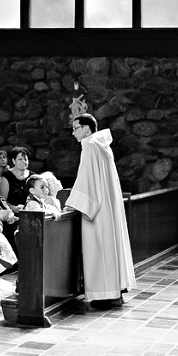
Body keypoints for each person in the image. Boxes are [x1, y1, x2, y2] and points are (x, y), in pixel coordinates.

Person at [66, 114, 134, 308]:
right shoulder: (102, 145)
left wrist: (73, 203)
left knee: (99, 248)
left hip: (97, 209)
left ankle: (104, 294)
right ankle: (114, 291)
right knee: (108, 247)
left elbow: (87, 180)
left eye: (75, 128)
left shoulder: (89, 146)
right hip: (107, 205)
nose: (73, 132)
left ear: (87, 129)